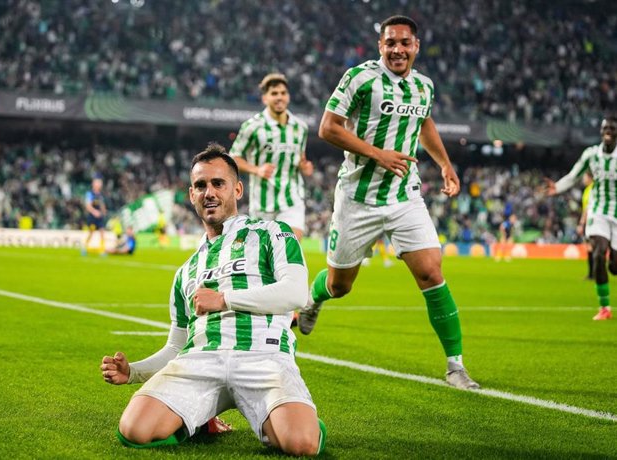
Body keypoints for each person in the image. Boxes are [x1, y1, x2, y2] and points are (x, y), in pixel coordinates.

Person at [100, 143, 326, 456]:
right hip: (200, 362)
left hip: (263, 357)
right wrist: (132, 373)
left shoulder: (271, 232)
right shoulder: (186, 270)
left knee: (301, 444)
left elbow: (297, 293)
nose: (209, 192)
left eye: (218, 183)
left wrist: (224, 300)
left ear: (237, 188)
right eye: (200, 185)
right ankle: (202, 416)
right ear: (191, 194)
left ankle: (301, 419)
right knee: (135, 429)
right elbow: (177, 347)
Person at [298, 15, 479, 390]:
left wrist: (445, 164)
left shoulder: (424, 86)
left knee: (431, 271)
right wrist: (377, 154)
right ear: (380, 46)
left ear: (416, 45)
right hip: (357, 198)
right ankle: (313, 300)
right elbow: (328, 127)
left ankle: (455, 366)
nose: (397, 49)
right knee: (339, 286)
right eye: (390, 43)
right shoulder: (360, 78)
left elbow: (424, 124)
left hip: (403, 196)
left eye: (404, 43)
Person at [545, 116, 617, 321]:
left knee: (615, 267)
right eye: (605, 128)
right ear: (601, 131)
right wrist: (557, 187)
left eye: (612, 128)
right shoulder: (591, 154)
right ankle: (605, 308)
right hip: (598, 211)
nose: (608, 131)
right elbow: (574, 175)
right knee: (598, 253)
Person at [229, 73, 314, 240]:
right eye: (274, 93)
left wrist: (305, 167)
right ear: (264, 98)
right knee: (263, 258)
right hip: (262, 203)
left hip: (292, 199)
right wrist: (256, 170)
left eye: (283, 93)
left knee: (290, 248)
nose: (279, 97)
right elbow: (233, 159)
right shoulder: (252, 127)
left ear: (288, 97)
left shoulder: (300, 127)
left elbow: (300, 159)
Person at [83, 177, 107, 255]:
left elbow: (102, 205)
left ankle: (102, 250)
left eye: (100, 183)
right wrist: (94, 212)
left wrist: (103, 211)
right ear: (94, 184)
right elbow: (88, 205)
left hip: (99, 216)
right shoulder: (90, 194)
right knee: (91, 232)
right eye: (98, 183)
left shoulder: (100, 195)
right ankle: (84, 247)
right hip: (92, 216)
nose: (99, 184)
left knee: (102, 232)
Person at [577, 172, 595, 280]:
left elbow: (587, 208)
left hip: (592, 222)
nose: (583, 179)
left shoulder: (592, 190)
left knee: (591, 247)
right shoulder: (587, 190)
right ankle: (593, 273)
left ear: (590, 178)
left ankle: (592, 274)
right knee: (591, 247)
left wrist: (581, 223)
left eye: (585, 177)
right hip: (590, 222)